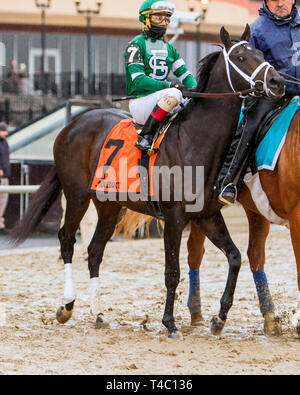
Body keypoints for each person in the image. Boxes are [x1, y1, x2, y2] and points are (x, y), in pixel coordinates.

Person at [216, 0, 300, 205]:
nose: (281, 3)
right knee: (250, 126)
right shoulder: (257, 30)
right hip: (271, 97)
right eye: (274, 0)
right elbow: (248, 71)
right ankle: (229, 181)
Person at [124, 0, 197, 151]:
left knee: (191, 101)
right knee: (175, 93)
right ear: (146, 19)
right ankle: (146, 135)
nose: (164, 23)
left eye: (167, 19)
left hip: (162, 100)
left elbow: (185, 75)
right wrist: (168, 85)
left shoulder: (169, 48)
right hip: (141, 102)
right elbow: (138, 80)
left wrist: (197, 91)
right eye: (159, 18)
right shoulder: (135, 44)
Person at [0, 122, 10, 235]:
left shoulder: (4, 142)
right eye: (4, 130)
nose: (6, 133)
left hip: (5, 175)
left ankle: (0, 224)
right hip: (2, 175)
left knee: (3, 200)